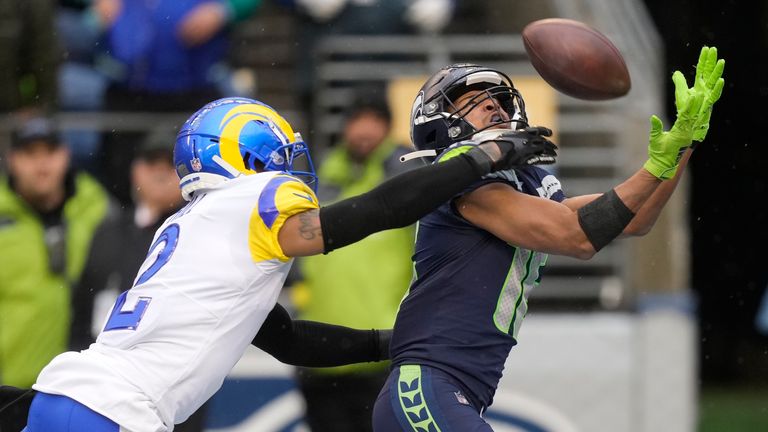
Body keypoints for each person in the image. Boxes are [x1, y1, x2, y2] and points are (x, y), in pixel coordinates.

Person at [20, 96, 557, 432]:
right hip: (117, 412)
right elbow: (370, 213)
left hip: (68, 399)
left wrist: (392, 342)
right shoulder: (253, 199)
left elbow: (286, 339)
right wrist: (482, 158)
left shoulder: (195, 227)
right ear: (249, 154)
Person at [371, 47, 725, 431]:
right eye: (474, 102)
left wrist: (683, 144)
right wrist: (655, 166)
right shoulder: (461, 178)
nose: (495, 107)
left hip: (457, 390)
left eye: (498, 99)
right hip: (425, 386)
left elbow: (634, 219)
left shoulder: (523, 186)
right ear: (440, 124)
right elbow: (577, 236)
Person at [293, 90, 421, 431]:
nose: (365, 130)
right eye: (357, 120)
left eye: (375, 121)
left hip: (382, 352)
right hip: (319, 355)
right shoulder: (318, 180)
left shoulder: (407, 182)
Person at [0, 116, 118, 390]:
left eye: (50, 152)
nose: (42, 165)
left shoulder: (98, 210)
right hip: (9, 387)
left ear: (65, 156)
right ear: (12, 160)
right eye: (30, 154)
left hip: (84, 388)